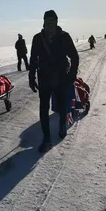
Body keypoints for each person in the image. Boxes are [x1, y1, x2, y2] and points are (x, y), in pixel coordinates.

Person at [28, 10, 79, 153]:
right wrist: (31, 77)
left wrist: (72, 74)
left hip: (61, 78)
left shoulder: (64, 37)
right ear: (44, 23)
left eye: (53, 22)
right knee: (43, 108)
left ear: (56, 23)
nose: (50, 25)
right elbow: (33, 59)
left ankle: (62, 126)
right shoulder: (37, 38)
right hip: (44, 77)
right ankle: (46, 138)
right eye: (47, 22)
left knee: (62, 105)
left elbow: (74, 57)